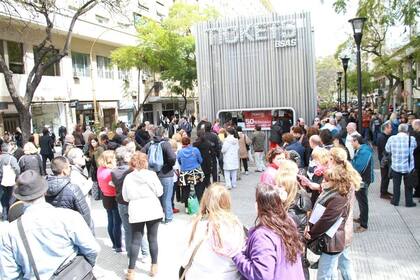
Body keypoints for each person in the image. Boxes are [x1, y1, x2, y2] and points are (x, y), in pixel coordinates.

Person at [0, 170, 100, 279]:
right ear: (45, 191)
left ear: (21, 198)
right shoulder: (69, 217)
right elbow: (92, 249)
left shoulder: (9, 232)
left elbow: (9, 275)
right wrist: (83, 268)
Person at [306, 147, 361, 280]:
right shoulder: (343, 182)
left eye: (326, 179)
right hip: (339, 232)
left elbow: (329, 217)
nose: (324, 182)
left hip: (336, 233)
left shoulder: (340, 191)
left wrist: (312, 232)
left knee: (331, 270)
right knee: (342, 265)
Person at [233, 183, 305, 279]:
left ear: (259, 205)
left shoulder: (262, 236)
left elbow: (262, 275)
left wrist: (237, 256)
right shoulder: (288, 222)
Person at [182, 183, 245, 279]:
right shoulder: (235, 226)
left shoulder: (197, 225)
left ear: (206, 201)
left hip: (199, 275)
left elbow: (185, 258)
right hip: (229, 276)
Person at [123, 152, 164, 279]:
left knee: (136, 240)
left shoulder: (128, 177)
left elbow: (125, 196)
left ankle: (131, 271)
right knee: (153, 238)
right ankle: (154, 266)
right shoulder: (152, 175)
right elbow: (160, 191)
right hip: (152, 207)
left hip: (136, 209)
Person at [142, 126, 176, 224]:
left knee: (157, 197)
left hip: (153, 174)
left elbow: (141, 154)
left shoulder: (149, 144)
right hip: (166, 174)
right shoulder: (166, 144)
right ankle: (168, 217)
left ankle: (159, 217)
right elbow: (172, 158)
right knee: (167, 197)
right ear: (163, 134)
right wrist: (169, 165)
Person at [45, 156, 92, 228]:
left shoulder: (44, 187)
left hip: (54, 226)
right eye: (69, 166)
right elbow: (84, 213)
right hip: (72, 227)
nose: (70, 168)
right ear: (64, 170)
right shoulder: (73, 188)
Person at [385, 123, 417, 207]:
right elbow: (414, 147)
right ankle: (409, 202)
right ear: (406, 130)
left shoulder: (392, 138)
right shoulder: (412, 139)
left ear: (398, 130)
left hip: (396, 166)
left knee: (396, 185)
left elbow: (387, 149)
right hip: (408, 167)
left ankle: (395, 200)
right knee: (408, 186)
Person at [97, 150, 122, 252]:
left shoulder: (100, 169)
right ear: (110, 159)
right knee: (117, 223)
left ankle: (114, 244)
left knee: (110, 220)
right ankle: (118, 245)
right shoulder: (111, 172)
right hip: (113, 197)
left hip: (105, 197)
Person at [351, 135, 374, 233]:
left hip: (362, 180)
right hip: (361, 179)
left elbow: (358, 167)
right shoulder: (361, 150)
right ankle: (361, 218)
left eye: (352, 142)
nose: (351, 144)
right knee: (361, 201)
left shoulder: (364, 152)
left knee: (363, 201)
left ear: (357, 141)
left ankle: (364, 224)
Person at [178, 137, 204, 209]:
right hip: (195, 171)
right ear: (189, 142)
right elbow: (200, 160)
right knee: (198, 188)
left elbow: (179, 161)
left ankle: (187, 206)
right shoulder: (195, 150)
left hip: (185, 172)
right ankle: (200, 204)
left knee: (186, 189)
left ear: (182, 143)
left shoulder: (180, 152)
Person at [0, 143, 20, 220]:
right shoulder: (11, 158)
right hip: (10, 180)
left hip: (1, 180)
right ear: (8, 149)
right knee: (11, 197)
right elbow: (17, 169)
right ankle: (9, 214)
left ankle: (4, 213)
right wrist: (17, 176)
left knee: (3, 197)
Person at [377, 121, 393, 199]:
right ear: (385, 128)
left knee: (386, 176)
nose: (391, 129)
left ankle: (385, 191)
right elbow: (385, 150)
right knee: (385, 177)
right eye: (390, 128)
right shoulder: (382, 137)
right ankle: (383, 193)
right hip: (384, 161)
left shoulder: (385, 136)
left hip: (385, 160)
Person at [412, 119, 420, 198]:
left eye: (414, 126)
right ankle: (417, 192)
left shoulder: (417, 135)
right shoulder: (416, 134)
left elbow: (417, 146)